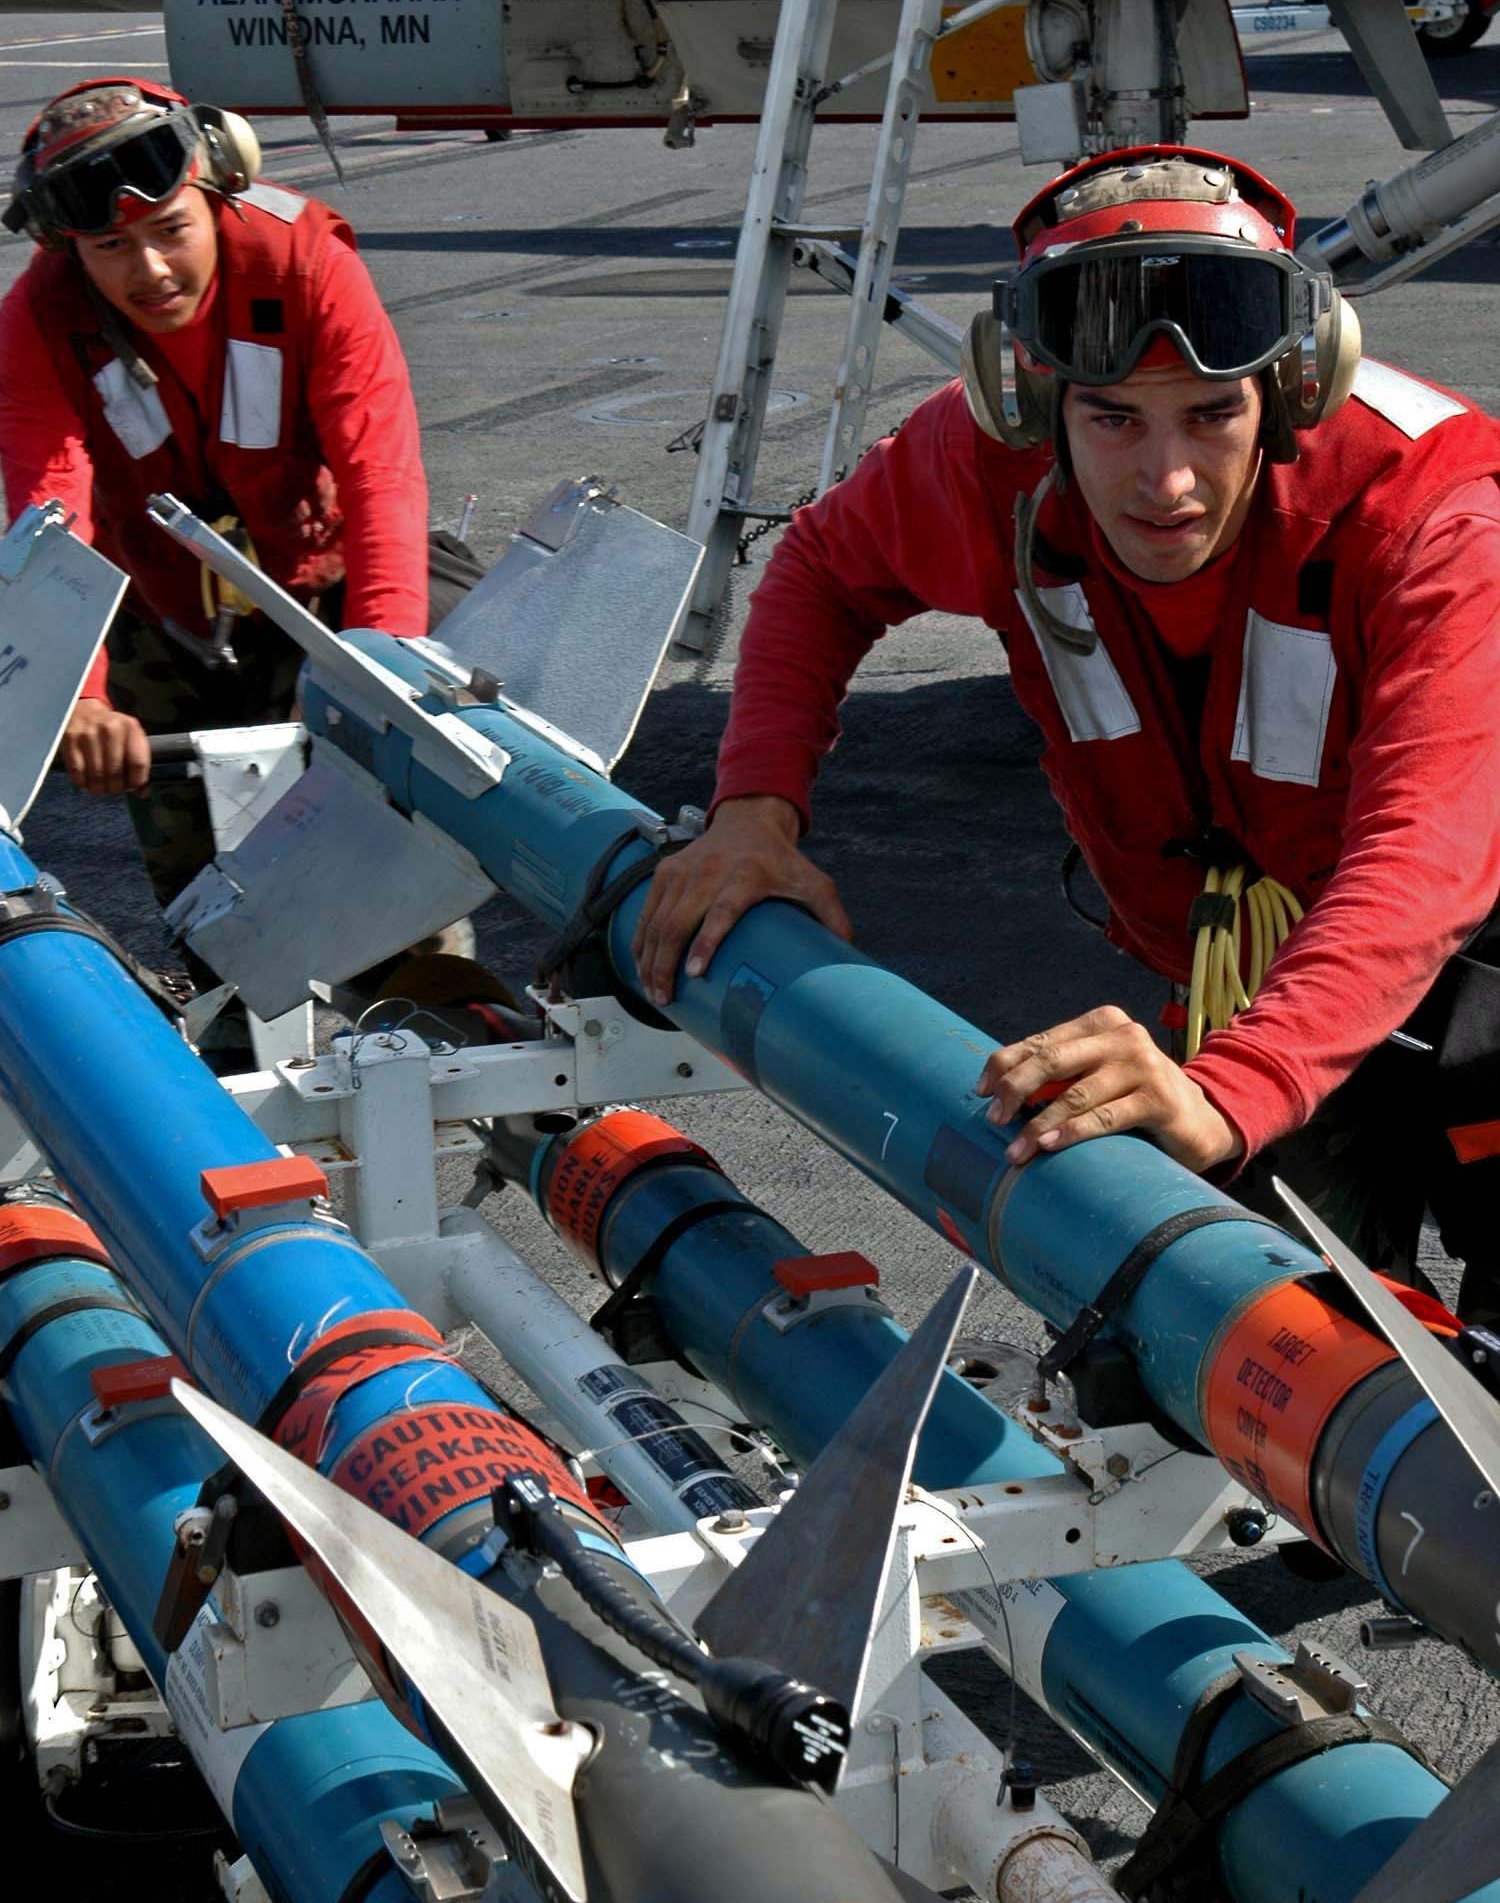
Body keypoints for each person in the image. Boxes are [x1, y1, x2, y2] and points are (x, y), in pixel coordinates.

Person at [633, 145, 1500, 1318]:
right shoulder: (989, 463)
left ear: (1294, 390)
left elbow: (1425, 852)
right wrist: (753, 813)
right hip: (1278, 968)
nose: (1167, 480)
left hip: (1470, 946)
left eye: (1212, 415)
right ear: (1039, 405)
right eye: (1113, 419)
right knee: (1257, 1334)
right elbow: (825, 568)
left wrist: (1232, 1088)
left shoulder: (1430, 508)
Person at [0, 76, 451, 920]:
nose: (150, 271)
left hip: (321, 596)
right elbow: (48, 510)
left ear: (217, 193)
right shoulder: (39, 317)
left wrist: (376, 668)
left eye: (172, 229)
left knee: (396, 891)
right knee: (207, 912)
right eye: (111, 246)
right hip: (158, 609)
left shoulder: (306, 265)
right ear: (68, 247)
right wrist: (81, 695)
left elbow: (379, 472)